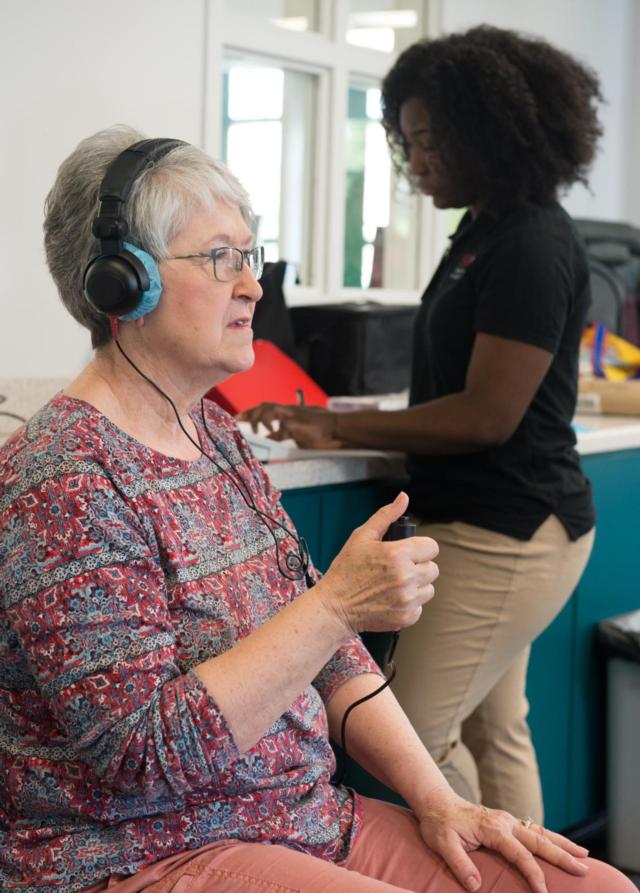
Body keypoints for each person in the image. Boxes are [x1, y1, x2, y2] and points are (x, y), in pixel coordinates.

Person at [0, 126, 632, 893]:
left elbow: (330, 656)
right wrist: (333, 605)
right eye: (220, 257)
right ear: (122, 285)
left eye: (250, 255)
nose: (253, 285)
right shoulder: (66, 479)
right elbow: (143, 757)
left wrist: (441, 801)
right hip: (149, 850)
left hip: (303, 819)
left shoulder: (217, 436)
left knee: (596, 888)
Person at [240, 25, 601, 825]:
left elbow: (486, 415)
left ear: (489, 131)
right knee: (495, 729)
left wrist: (338, 429)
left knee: (412, 744)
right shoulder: (484, 229)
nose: (417, 161)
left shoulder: (532, 242)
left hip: (507, 527)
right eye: (407, 142)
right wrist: (340, 423)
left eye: (431, 140)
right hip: (495, 518)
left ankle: (491, 871)